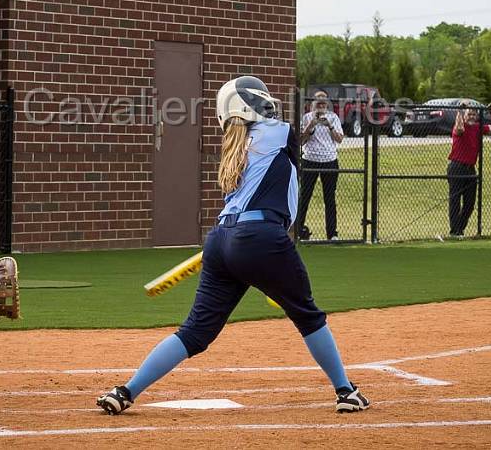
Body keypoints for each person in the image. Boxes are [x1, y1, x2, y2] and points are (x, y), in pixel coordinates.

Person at [96, 76, 369, 415]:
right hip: (261, 239)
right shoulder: (279, 132)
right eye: (263, 100)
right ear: (250, 104)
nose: (269, 105)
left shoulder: (236, 147)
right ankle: (346, 391)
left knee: (194, 332)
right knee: (308, 316)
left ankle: (124, 391)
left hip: (221, 241)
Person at [294, 90, 344, 241]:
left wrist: (329, 126)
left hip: (329, 161)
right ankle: (298, 230)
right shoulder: (306, 118)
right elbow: (301, 141)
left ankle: (332, 234)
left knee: (329, 198)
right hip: (310, 161)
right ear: (312, 103)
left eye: (324, 101)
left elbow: (340, 139)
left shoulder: (333, 118)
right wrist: (311, 125)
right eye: (318, 101)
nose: (321, 103)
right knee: (304, 197)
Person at [446, 101, 491, 238]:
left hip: (470, 169)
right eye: (469, 113)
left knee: (470, 203)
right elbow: (459, 129)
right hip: (456, 167)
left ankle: (459, 229)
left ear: (477, 116)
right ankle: (455, 231)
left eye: (474, 114)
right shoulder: (460, 126)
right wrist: (459, 110)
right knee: (455, 201)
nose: (471, 116)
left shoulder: (478, 128)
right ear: (464, 116)